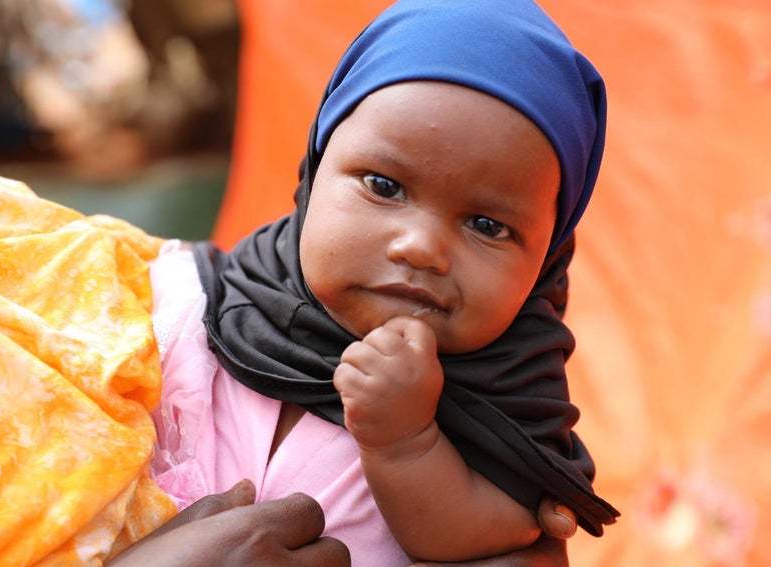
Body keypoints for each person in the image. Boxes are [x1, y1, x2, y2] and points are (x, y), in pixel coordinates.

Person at [146, 0, 618, 564]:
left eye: (487, 225)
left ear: (545, 261)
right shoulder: (171, 307)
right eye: (383, 185)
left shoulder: (515, 398)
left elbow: (496, 535)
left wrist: (406, 441)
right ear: (315, 171)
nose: (421, 246)